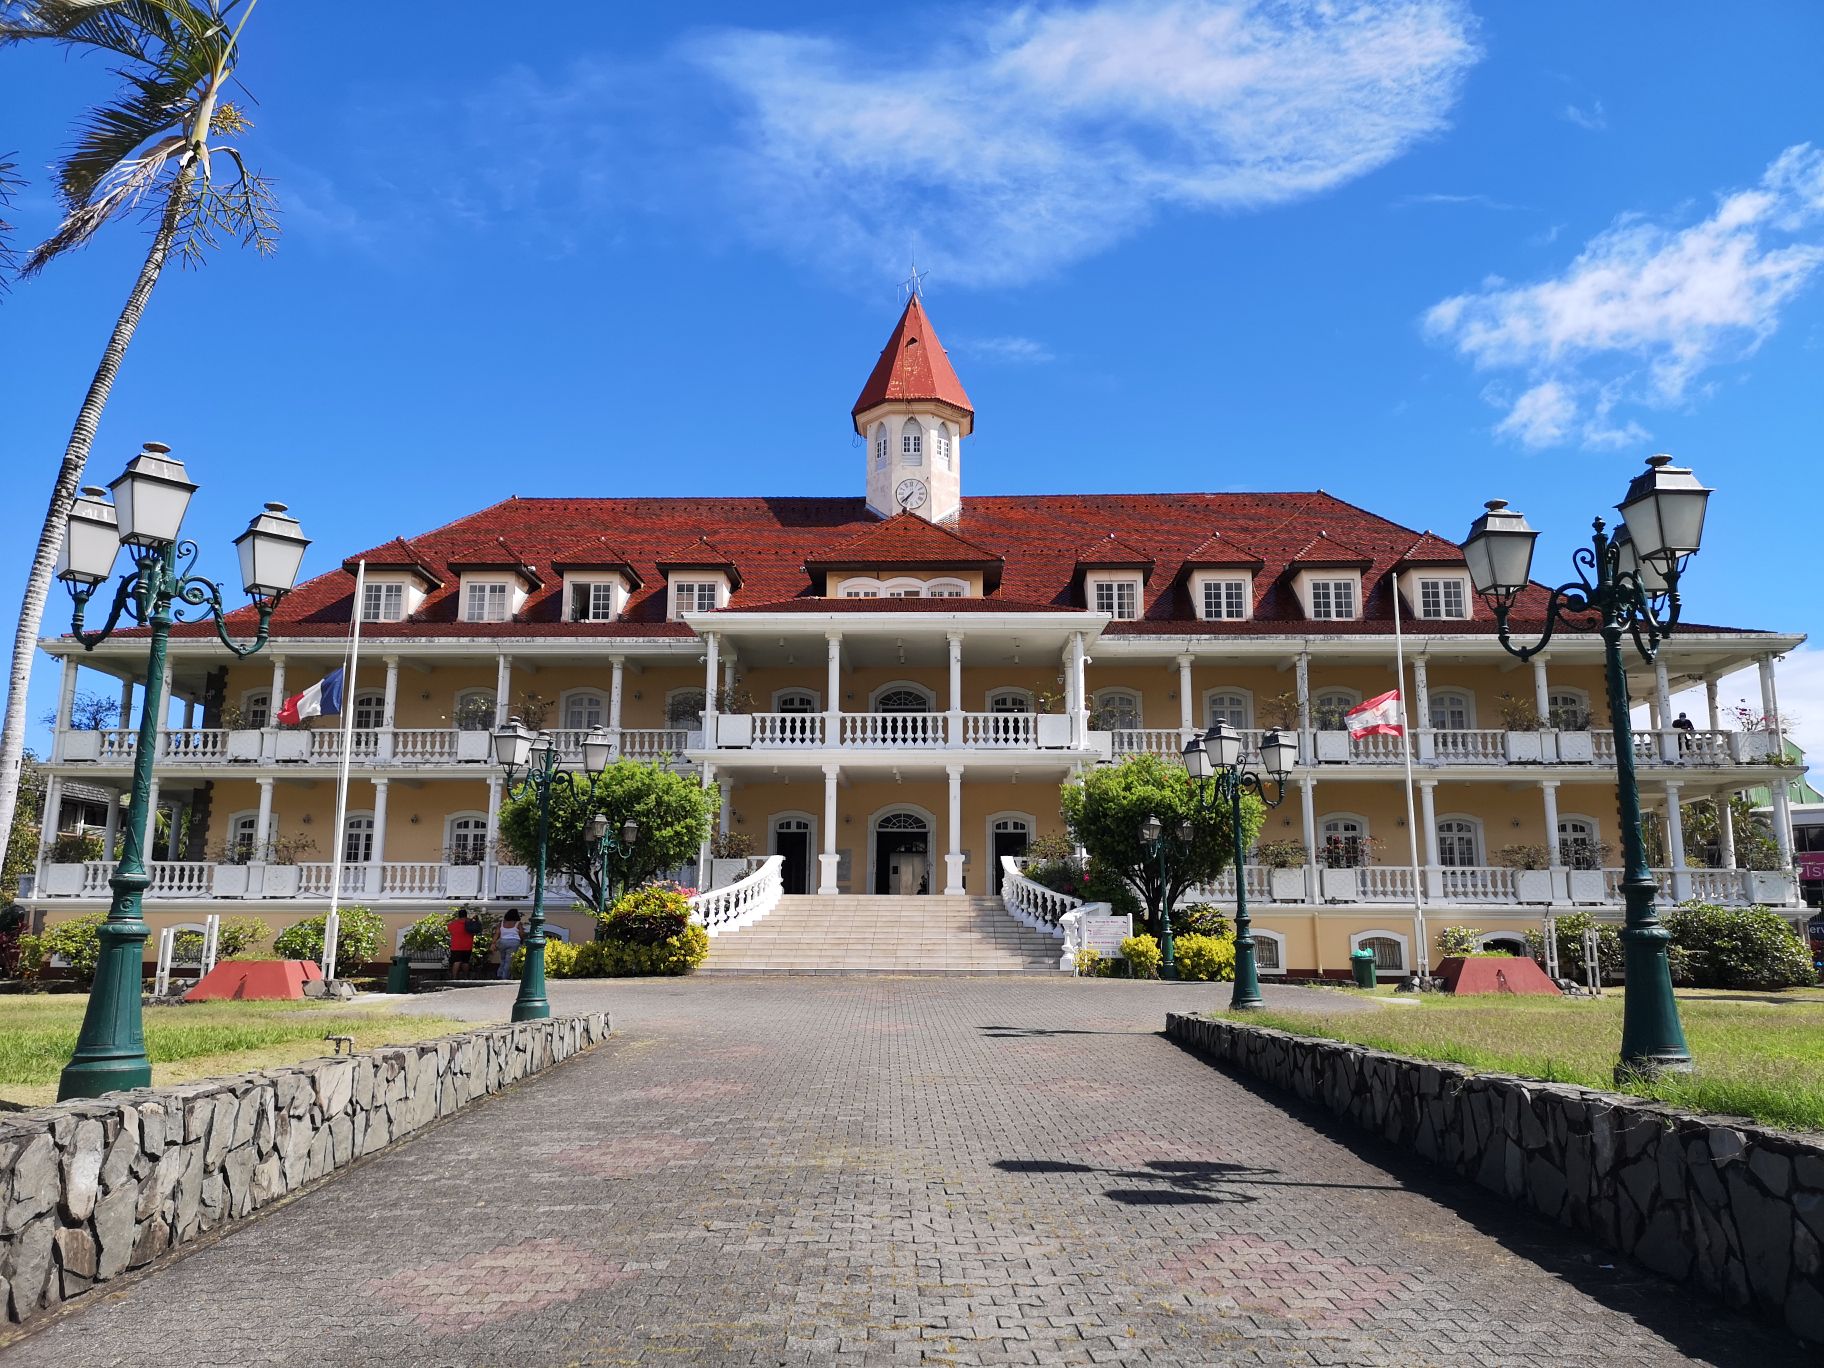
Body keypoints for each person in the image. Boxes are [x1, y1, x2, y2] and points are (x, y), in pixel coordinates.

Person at [446, 907, 476, 978]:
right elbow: (475, 932)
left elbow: (449, 930)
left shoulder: (453, 924)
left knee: (456, 961)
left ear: (458, 915)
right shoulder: (470, 923)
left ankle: (454, 977)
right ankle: (466, 977)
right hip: (468, 946)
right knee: (465, 962)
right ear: (466, 915)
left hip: (456, 946)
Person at [495, 910, 523, 979]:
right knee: (509, 961)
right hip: (514, 942)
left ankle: (499, 974)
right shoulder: (518, 923)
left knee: (503, 959)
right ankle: (505, 977)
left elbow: (497, 933)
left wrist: (493, 942)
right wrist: (522, 940)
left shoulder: (501, 923)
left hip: (502, 942)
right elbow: (521, 934)